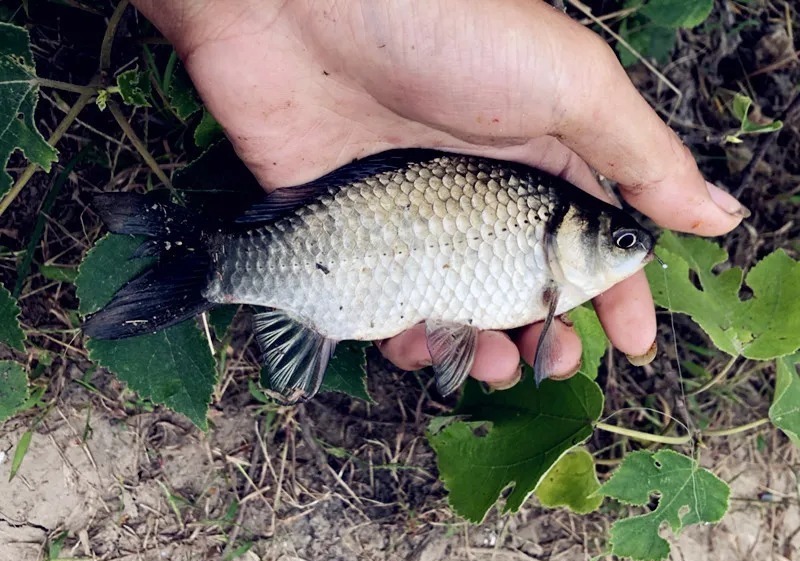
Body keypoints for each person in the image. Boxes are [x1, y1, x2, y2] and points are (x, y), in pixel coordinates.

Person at [129, 0, 747, 390]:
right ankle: (212, 264)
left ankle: (204, 264)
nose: (634, 250)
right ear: (572, 233)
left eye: (627, 241)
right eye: (622, 241)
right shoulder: (549, 253)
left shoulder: (550, 235)